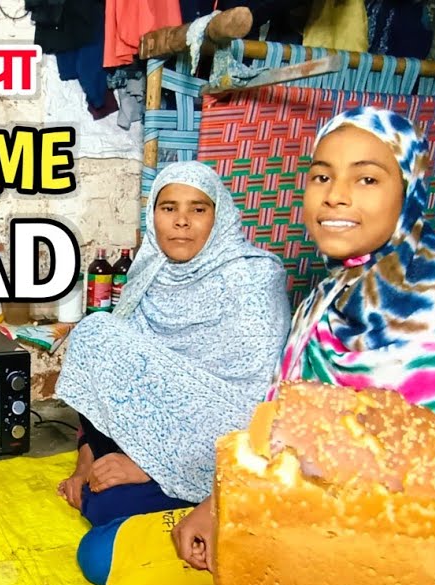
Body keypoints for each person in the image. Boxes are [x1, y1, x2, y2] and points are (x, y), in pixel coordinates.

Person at [81, 107, 435, 585]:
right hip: (280, 508)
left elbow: (413, 506)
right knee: (99, 554)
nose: (336, 195)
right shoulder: (331, 295)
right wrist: (216, 504)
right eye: (322, 175)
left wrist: (264, 546)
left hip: (355, 568)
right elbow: (277, 425)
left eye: (367, 178)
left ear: (409, 190)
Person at [54, 161, 291, 528]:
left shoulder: (254, 279)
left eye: (198, 209)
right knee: (96, 334)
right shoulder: (150, 271)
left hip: (220, 443)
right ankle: (105, 467)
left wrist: (146, 465)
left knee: (104, 507)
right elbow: (109, 375)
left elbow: (253, 405)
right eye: (169, 208)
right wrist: (87, 460)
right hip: (154, 428)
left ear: (221, 216)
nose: (182, 221)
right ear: (154, 216)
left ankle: (178, 486)